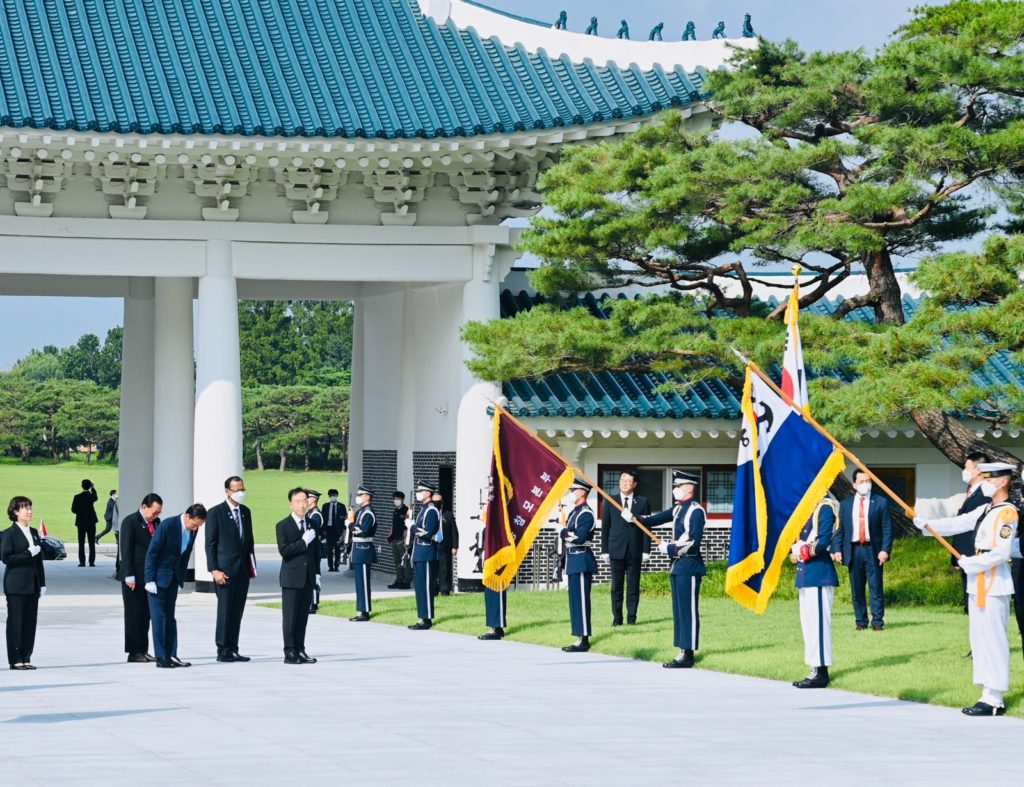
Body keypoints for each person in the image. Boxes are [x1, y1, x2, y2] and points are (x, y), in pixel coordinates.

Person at [915, 462, 1019, 716]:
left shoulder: (1007, 513)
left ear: (1002, 481)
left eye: (988, 478)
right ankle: (986, 693)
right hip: (978, 582)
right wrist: (927, 524)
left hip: (994, 582)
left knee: (994, 640)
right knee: (980, 640)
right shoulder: (986, 509)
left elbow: (1002, 552)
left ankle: (995, 698)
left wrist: (970, 563)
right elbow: (959, 523)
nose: (982, 481)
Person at [631, 470, 705, 668]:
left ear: (689, 487)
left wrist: (669, 548)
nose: (675, 489)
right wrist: (635, 518)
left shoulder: (695, 511)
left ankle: (688, 653)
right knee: (679, 610)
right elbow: (657, 519)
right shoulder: (679, 509)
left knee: (687, 610)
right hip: (678, 566)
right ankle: (681, 650)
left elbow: (692, 542)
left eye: (679, 486)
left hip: (689, 565)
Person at [145, 504, 205, 669]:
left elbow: (185, 555)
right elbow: (152, 552)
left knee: (170, 618)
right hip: (157, 579)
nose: (196, 528)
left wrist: (181, 578)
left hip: (173, 579)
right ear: (187, 516)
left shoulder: (193, 529)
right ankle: (161, 657)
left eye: (199, 526)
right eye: (195, 524)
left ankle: (172, 654)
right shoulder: (168, 525)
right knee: (159, 618)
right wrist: (149, 579)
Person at [791, 494, 840, 688]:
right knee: (809, 624)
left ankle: (821, 671)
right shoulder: (807, 509)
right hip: (806, 575)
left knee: (819, 625)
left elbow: (823, 540)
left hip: (819, 573)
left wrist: (802, 550)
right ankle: (814, 667)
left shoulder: (825, 508)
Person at [205, 475, 255, 663]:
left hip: (242, 569)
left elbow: (249, 541)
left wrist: (252, 566)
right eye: (236, 490)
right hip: (224, 570)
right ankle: (223, 648)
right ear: (227, 491)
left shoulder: (246, 512)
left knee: (237, 611)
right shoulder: (215, 513)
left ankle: (233, 647)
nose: (240, 493)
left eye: (242, 489)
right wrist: (214, 569)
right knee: (225, 610)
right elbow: (210, 544)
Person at [837, 470, 892, 631]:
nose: (865, 484)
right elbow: (841, 529)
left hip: (873, 550)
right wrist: (837, 549)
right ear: (854, 484)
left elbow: (887, 528)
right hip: (854, 550)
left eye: (867, 481)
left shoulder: (880, 502)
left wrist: (885, 550)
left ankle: (877, 622)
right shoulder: (846, 504)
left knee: (875, 587)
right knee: (857, 589)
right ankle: (860, 621)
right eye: (861, 481)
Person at [600, 469, 651, 626]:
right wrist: (604, 550)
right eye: (622, 480)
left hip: (635, 551)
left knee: (633, 587)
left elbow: (647, 528)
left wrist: (646, 550)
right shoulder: (610, 500)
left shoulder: (642, 502)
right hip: (616, 550)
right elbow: (605, 528)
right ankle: (617, 619)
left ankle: (632, 619)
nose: (624, 483)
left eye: (628, 481)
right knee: (616, 587)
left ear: (634, 484)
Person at [1, 496, 46, 670]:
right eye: (24, 508)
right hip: (16, 585)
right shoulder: (9, 533)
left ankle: (26, 656)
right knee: (16, 622)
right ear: (15, 512)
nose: (29, 511)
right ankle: (15, 659)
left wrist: (42, 583)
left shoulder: (34, 532)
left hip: (32, 584)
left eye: (30, 507)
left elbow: (38, 560)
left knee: (30, 622)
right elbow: (6, 558)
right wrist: (28, 553)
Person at [118, 493, 163, 663]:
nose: (156, 516)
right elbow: (126, 550)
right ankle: (133, 651)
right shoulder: (130, 522)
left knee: (146, 615)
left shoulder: (156, 523)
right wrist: (129, 575)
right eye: (154, 512)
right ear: (144, 507)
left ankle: (143, 649)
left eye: (158, 513)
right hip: (133, 576)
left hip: (149, 577)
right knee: (133, 614)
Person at [277, 488, 319, 664]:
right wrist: (303, 542)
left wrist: (317, 573)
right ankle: (290, 651)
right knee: (290, 617)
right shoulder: (283, 525)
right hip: (292, 578)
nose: (302, 505)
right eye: (298, 501)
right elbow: (285, 551)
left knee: (303, 617)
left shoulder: (312, 524)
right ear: (291, 504)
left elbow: (315, 552)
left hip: (308, 577)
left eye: (305, 501)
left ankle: (300, 649)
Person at [561, 479, 597, 653]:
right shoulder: (574, 512)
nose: (571, 492)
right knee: (575, 600)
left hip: (582, 559)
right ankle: (578, 636)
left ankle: (583, 638)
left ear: (582, 492)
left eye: (573, 489)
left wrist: (563, 532)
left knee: (582, 600)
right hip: (573, 559)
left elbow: (580, 537)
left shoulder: (586, 513)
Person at [952, 453, 991, 615]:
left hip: (975, 551)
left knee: (977, 595)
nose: (964, 471)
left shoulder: (985, 493)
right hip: (965, 553)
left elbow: (976, 526)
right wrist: (956, 555)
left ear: (978, 470)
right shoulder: (971, 491)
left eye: (967, 468)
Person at [408, 481, 441, 631]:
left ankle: (427, 618)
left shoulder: (431, 510)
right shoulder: (423, 510)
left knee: (426, 587)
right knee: (420, 587)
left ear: (428, 493)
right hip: (419, 553)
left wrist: (412, 527)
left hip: (427, 552)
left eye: (421, 490)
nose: (418, 493)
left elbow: (427, 533)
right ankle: (422, 617)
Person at [349, 485, 377, 622]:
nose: (358, 497)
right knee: (359, 582)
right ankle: (361, 609)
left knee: (363, 582)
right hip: (358, 549)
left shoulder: (368, 513)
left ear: (367, 496)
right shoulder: (361, 512)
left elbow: (363, 531)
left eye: (360, 495)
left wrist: (350, 525)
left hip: (364, 549)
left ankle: (364, 611)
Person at [434, 492, 459, 596]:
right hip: (433, 546)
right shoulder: (431, 514)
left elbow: (454, 531)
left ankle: (445, 589)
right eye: (434, 502)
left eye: (438, 502)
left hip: (445, 546)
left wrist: (455, 546)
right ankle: (434, 589)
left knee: (445, 569)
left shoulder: (448, 515)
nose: (436, 504)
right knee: (434, 568)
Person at [71, 478, 99, 567]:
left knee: (81, 542)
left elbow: (73, 510)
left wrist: (80, 512)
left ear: (82, 486)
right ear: (89, 486)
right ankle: (91, 562)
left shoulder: (77, 497)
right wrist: (93, 488)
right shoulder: (91, 496)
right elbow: (96, 496)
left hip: (81, 521)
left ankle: (82, 562)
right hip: (91, 521)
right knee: (91, 542)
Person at [305, 489, 324, 614]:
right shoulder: (309, 514)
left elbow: (312, 532)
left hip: (314, 549)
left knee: (314, 574)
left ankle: (314, 602)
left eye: (308, 498)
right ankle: (311, 601)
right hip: (310, 549)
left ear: (313, 500)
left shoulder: (316, 515)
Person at [387, 491, 411, 589]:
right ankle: (399, 579)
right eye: (395, 499)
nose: (396, 501)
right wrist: (390, 536)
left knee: (405, 560)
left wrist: (407, 540)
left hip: (403, 539)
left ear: (402, 499)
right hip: (395, 539)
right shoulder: (395, 511)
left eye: (398, 499)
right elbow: (393, 525)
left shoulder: (406, 510)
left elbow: (409, 525)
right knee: (397, 561)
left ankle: (406, 581)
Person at [323, 488, 347, 572]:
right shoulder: (325, 506)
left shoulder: (341, 506)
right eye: (331, 495)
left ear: (337, 496)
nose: (333, 497)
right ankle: (330, 566)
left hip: (338, 530)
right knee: (329, 549)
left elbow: (345, 518)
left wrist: (343, 531)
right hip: (329, 530)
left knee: (337, 549)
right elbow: (323, 519)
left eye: (334, 495)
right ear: (329, 496)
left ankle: (336, 566)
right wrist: (324, 530)